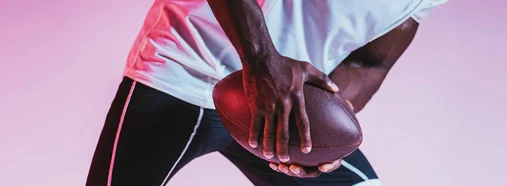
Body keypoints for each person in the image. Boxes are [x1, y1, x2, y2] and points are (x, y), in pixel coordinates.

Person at [85, 0, 446, 185]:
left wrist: (321, 136)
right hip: (187, 69)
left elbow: (371, 63)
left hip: (285, 108)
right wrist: (262, 61)